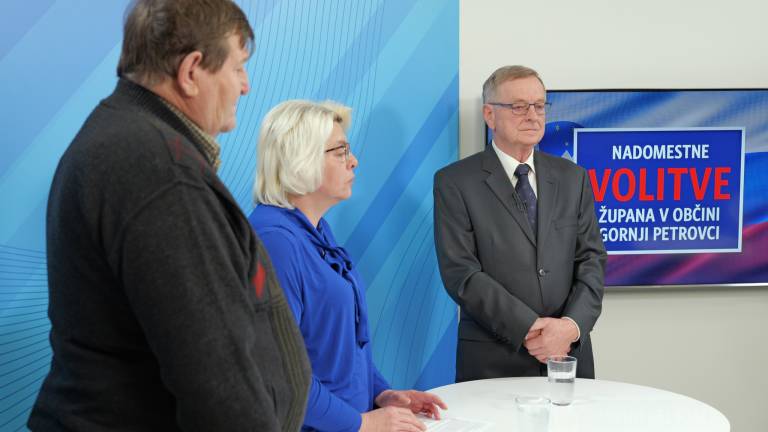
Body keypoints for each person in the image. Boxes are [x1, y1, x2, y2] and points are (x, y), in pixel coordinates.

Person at [29, 1, 311, 430]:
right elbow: (215, 378)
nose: (246, 86)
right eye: (238, 68)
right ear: (191, 71)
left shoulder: (122, 138)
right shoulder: (161, 171)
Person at [249, 100, 447, 432]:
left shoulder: (315, 229)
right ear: (302, 158)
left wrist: (381, 393)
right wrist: (360, 422)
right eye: (340, 151)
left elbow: (341, 347)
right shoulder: (275, 242)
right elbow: (281, 371)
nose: (353, 161)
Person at [433, 65, 607, 382]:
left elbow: (591, 260)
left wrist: (569, 328)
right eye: (518, 107)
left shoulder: (573, 178)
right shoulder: (455, 182)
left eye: (539, 105)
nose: (532, 116)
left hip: (567, 355)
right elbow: (461, 272)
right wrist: (530, 328)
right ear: (489, 115)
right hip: (493, 359)